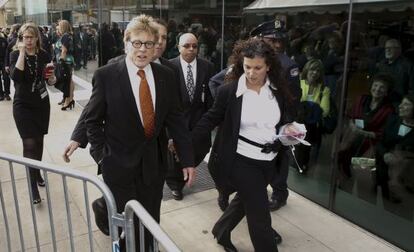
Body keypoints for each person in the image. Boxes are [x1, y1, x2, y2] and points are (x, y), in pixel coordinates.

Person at [84, 15, 196, 251]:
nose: (142, 50)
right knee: (127, 227)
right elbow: (92, 121)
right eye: (137, 43)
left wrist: (187, 160)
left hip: (153, 168)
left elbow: (176, 119)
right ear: (126, 43)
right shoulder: (106, 76)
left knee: (150, 223)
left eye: (148, 44)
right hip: (117, 167)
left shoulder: (166, 75)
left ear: (156, 46)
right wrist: (102, 157)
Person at [192, 38, 305, 252]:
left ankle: (221, 230)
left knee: (245, 199)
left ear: (268, 66)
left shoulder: (278, 91)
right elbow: (210, 118)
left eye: (257, 68)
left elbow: (284, 118)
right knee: (260, 218)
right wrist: (186, 143)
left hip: (269, 161)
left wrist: (289, 129)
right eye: (247, 67)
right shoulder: (230, 91)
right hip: (241, 161)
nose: (251, 73)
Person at [249, 19, 302, 212]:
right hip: (259, 119)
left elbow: (294, 100)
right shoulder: (259, 60)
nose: (277, 44)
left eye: (278, 41)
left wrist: (284, 125)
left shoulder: (288, 65)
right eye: (272, 40)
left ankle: (280, 194)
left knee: (279, 158)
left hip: (277, 121)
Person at [9, 22, 57, 204]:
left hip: (41, 104)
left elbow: (51, 81)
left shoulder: (44, 55)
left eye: (31, 37)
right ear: (21, 38)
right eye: (25, 37)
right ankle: (33, 188)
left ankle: (36, 173)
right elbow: (16, 77)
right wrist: (21, 52)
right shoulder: (15, 54)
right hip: (22, 106)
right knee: (29, 143)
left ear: (37, 38)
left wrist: (52, 78)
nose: (28, 41)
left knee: (39, 142)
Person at [166, 33, 215, 200]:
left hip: (199, 122)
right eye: (187, 46)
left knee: (201, 150)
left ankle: (186, 171)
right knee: (175, 156)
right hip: (176, 123)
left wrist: (210, 120)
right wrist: (170, 134)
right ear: (179, 47)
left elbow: (209, 96)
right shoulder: (168, 68)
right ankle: (175, 184)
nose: (191, 49)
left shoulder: (207, 67)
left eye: (195, 46)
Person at [338, 74, 394, 178]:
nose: (377, 89)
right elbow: (350, 115)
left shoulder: (388, 110)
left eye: (382, 87)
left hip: (369, 146)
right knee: (340, 158)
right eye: (376, 85)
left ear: (386, 92)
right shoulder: (361, 99)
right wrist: (352, 126)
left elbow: (383, 134)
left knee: (359, 171)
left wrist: (363, 133)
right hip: (351, 138)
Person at [375, 94, 414, 203]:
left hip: (405, 172)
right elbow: (380, 143)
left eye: (406, 104)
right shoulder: (392, 120)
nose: (401, 106)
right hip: (384, 164)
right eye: (401, 103)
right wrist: (385, 154)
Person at [295, 59, 331, 173]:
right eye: (312, 69)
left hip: (311, 126)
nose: (315, 73)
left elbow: (324, 110)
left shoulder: (324, 89)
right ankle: (299, 164)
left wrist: (305, 106)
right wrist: (313, 107)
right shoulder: (299, 83)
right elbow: (294, 102)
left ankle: (302, 165)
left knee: (306, 143)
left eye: (318, 71)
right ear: (307, 70)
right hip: (296, 122)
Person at [54, 20, 75, 110]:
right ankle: (69, 99)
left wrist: (61, 61)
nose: (58, 27)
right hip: (67, 61)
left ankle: (68, 100)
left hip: (65, 62)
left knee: (66, 81)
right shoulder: (67, 36)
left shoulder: (65, 37)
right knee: (69, 80)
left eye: (59, 25)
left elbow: (64, 50)